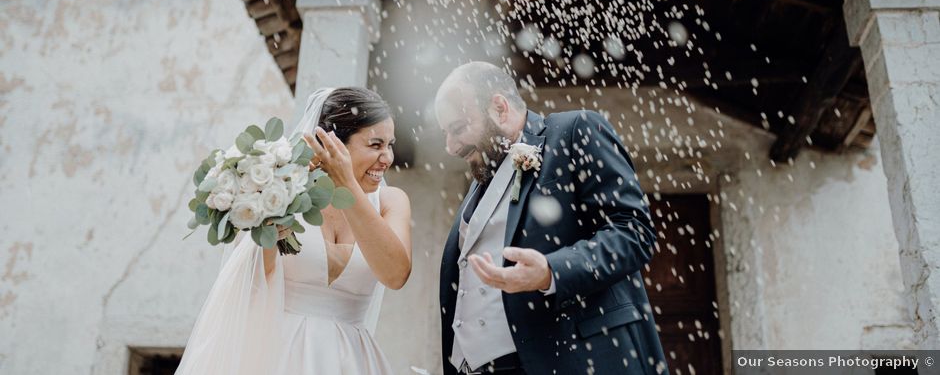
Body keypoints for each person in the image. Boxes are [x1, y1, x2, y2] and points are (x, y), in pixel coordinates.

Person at [435, 62, 667, 375]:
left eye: (458, 128)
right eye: (445, 133)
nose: (450, 147)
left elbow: (633, 231)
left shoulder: (575, 131)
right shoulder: (481, 182)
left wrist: (552, 272)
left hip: (572, 362)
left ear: (499, 108)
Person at [176, 86, 411, 375]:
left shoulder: (391, 202)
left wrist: (346, 183)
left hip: (352, 360)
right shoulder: (285, 191)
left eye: (390, 144)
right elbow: (253, 284)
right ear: (334, 142)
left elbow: (396, 274)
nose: (387, 157)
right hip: (279, 353)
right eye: (376, 145)